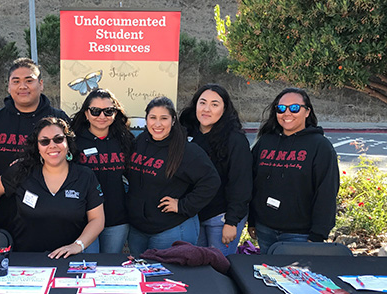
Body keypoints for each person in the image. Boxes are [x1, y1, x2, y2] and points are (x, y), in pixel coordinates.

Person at [0, 117, 105, 259]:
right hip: (26, 259)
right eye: (45, 141)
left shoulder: (85, 176)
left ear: (67, 142)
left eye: (58, 139)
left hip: (69, 260)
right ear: (37, 147)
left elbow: (97, 219)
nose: (52, 145)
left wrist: (78, 245)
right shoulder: (22, 171)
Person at [0, 58, 69, 234]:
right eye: (16, 81)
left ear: (41, 84)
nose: (22, 86)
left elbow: (71, 163)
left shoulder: (58, 119)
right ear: (8, 87)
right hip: (2, 214)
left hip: (49, 215)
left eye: (29, 80)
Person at [248, 88, 339, 254]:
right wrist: (252, 220)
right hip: (264, 229)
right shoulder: (266, 142)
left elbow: (326, 191)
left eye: (294, 108)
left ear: (307, 112)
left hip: (300, 235)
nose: (287, 113)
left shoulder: (320, 146)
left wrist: (318, 234)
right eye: (281, 108)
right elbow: (253, 183)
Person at [126, 96, 221, 255]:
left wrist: (183, 205)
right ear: (146, 119)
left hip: (171, 229)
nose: (157, 124)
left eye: (164, 118)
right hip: (138, 230)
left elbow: (211, 182)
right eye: (152, 118)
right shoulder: (140, 142)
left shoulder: (187, 150)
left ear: (173, 120)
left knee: (167, 278)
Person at [179, 84, 252, 256]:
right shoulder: (186, 134)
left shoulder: (235, 140)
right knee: (196, 266)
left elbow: (241, 183)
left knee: (219, 269)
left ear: (224, 109)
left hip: (222, 217)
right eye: (202, 103)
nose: (206, 109)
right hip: (193, 215)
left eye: (214, 104)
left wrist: (232, 222)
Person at [70, 88, 135, 253]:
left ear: (115, 113)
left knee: (109, 267)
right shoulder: (72, 141)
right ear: (86, 113)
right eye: (95, 111)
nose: (101, 116)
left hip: (117, 218)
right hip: (84, 219)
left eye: (108, 111)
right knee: (88, 267)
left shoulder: (125, 140)